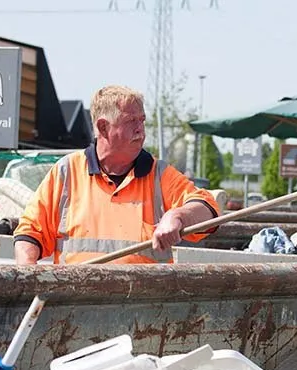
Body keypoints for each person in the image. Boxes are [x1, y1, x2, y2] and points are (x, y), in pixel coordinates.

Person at [13, 85, 220, 265]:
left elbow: (208, 209)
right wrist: (29, 276)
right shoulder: (67, 172)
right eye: (131, 121)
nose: (141, 130)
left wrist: (177, 216)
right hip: (74, 304)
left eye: (142, 120)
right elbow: (30, 233)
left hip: (146, 307)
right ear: (103, 127)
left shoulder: (158, 174)